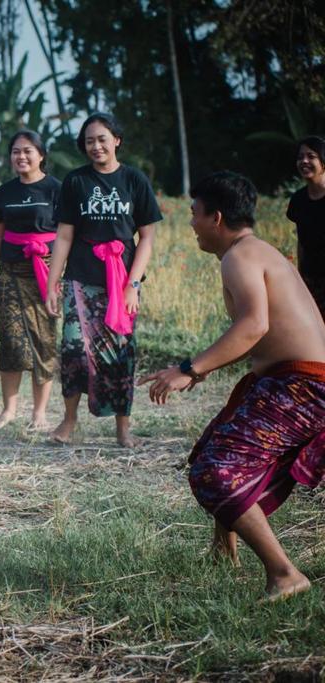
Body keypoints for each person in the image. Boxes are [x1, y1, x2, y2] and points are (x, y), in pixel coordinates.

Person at [140, 172, 325, 601]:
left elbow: (253, 325)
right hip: (290, 379)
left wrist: (190, 367)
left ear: (215, 218)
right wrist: (200, 368)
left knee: (214, 471)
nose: (190, 223)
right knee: (212, 448)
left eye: (193, 214)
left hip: (305, 385)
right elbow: (263, 332)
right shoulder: (255, 251)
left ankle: (285, 574)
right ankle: (223, 552)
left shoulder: (239, 257)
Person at [45, 112, 162, 447]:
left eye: (102, 139)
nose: (95, 146)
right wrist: (54, 284)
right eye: (89, 141)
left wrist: (133, 285)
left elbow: (147, 239)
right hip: (80, 279)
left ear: (117, 141)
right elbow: (64, 236)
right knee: (73, 350)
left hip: (122, 281)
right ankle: (69, 421)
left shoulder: (135, 180)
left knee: (121, 353)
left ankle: (123, 429)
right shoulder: (75, 181)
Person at [0, 130, 61, 429]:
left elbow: (67, 235)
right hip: (10, 272)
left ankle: (40, 413)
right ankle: (9, 410)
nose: (21, 156)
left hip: (46, 271)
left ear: (41, 155)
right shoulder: (4, 192)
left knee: (44, 340)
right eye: (16, 151)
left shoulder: (57, 189)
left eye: (27, 151)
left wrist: (58, 272)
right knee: (12, 341)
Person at [286, 135, 325, 318]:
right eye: (300, 157)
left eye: (311, 156)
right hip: (311, 280)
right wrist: (300, 277)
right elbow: (301, 241)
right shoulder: (298, 200)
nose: (304, 161)